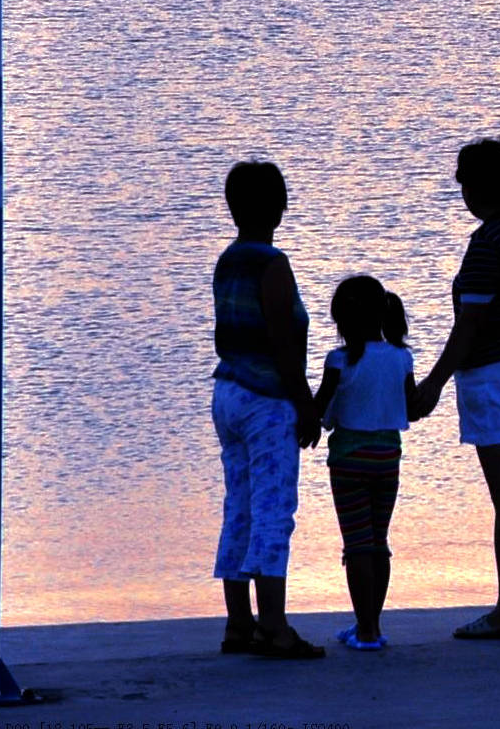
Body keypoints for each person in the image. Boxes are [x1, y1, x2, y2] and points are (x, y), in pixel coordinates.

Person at [414, 138, 500, 640]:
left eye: (463, 181)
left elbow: (469, 326)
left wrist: (433, 381)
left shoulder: (488, 243)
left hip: (495, 376)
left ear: (474, 186)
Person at [209, 159, 324, 659]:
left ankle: (239, 623)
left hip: (228, 392)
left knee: (239, 506)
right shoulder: (272, 265)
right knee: (275, 509)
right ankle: (274, 626)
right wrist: (306, 405)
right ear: (279, 206)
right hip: (265, 401)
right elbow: (283, 343)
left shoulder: (228, 260)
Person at [308, 276, 418, 650]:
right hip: (388, 457)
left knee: (356, 544)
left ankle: (366, 631)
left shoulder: (338, 361)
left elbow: (318, 410)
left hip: (348, 461)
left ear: (341, 321)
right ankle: (371, 625)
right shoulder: (401, 357)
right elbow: (413, 408)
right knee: (378, 542)